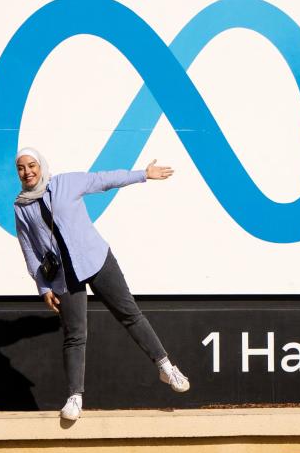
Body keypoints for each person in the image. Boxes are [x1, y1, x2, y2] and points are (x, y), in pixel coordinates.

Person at [12, 147, 189, 421]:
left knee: (130, 314)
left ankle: (166, 367)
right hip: (62, 275)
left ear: (41, 165)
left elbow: (104, 180)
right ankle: (74, 397)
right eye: (21, 168)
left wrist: (143, 174)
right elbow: (29, 248)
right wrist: (43, 287)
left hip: (96, 258)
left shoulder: (65, 183)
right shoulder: (21, 206)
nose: (28, 172)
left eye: (32, 165)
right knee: (75, 335)